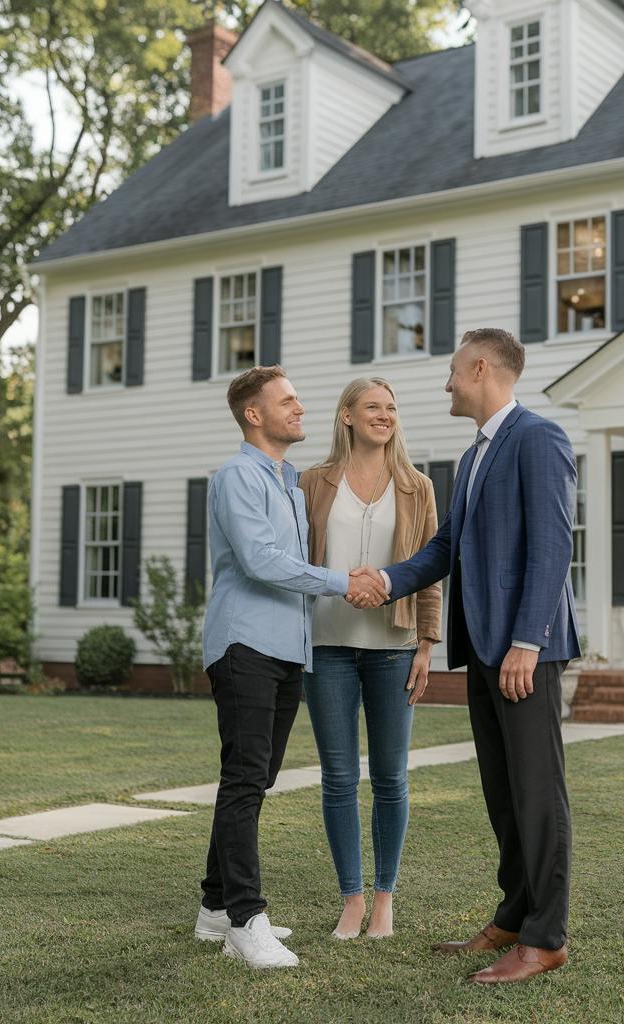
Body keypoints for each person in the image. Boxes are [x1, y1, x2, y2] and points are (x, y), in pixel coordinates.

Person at [355, 328, 580, 984]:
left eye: (453, 371)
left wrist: (527, 640)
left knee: (537, 792)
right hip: (484, 649)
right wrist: (386, 581)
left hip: (522, 651)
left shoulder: (538, 438)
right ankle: (514, 914)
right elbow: (442, 547)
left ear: (481, 368)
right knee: (503, 792)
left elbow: (551, 544)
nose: (446, 384)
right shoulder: (477, 453)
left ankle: (546, 937)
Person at [195, 365, 386, 970]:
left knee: (254, 777)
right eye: (288, 401)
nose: (300, 408)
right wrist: (340, 582)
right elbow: (261, 561)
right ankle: (247, 920)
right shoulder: (237, 477)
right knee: (245, 779)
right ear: (255, 414)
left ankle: (213, 908)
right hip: (244, 644)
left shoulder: (287, 482)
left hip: (285, 651)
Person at [299, 377, 442, 940]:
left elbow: (431, 570)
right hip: (326, 647)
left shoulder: (417, 488)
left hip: (394, 648)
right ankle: (351, 899)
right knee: (338, 778)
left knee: (390, 778)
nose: (385, 416)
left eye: (392, 408)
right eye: (373, 408)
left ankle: (385, 897)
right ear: (347, 417)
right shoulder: (312, 482)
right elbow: (295, 562)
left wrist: (428, 645)